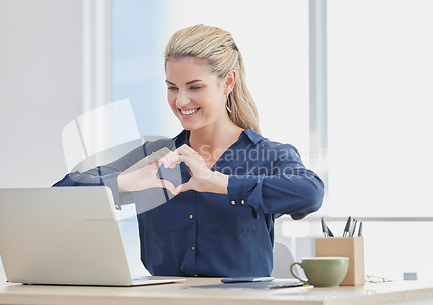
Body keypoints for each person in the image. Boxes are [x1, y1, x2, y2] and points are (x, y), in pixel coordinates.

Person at [54, 24, 324, 277]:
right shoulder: (154, 157)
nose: (181, 101)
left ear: (227, 82)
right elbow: (60, 196)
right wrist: (127, 182)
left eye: (195, 87)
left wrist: (221, 183)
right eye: (172, 88)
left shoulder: (266, 155)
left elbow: (310, 192)